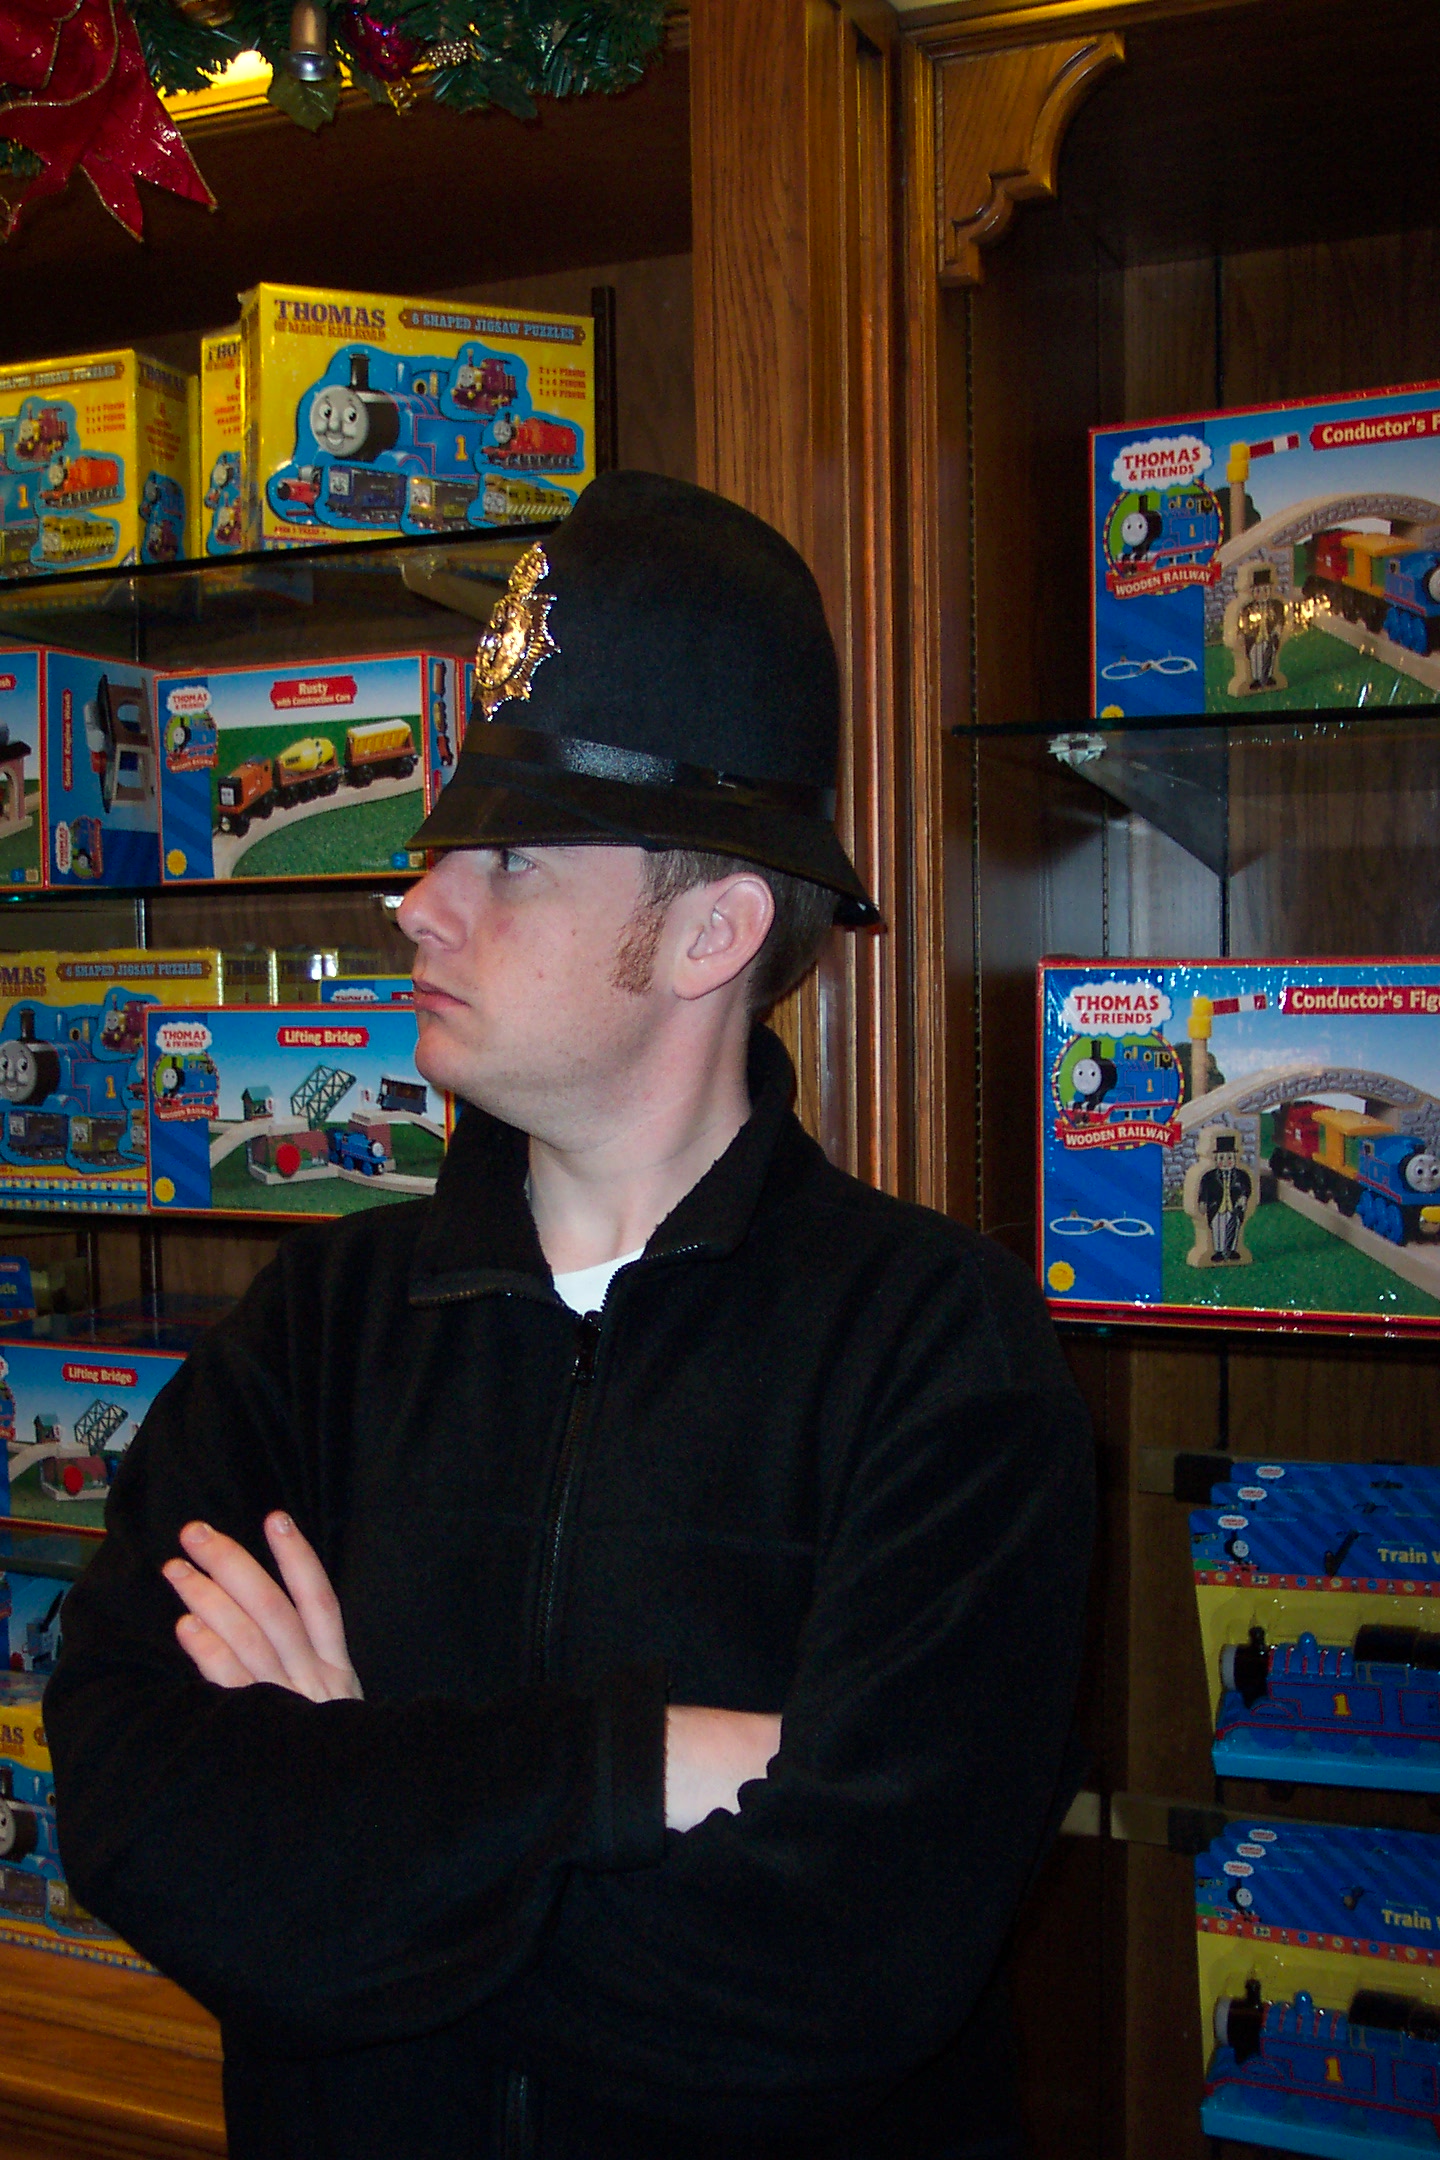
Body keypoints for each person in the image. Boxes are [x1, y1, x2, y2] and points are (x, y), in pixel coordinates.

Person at [45, 472, 1093, 2160]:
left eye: (514, 858)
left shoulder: (936, 1355)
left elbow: (845, 1971)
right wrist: (620, 1772)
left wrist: (352, 1792)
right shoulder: (315, 1333)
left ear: (712, 932)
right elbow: (129, 1807)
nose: (418, 900)